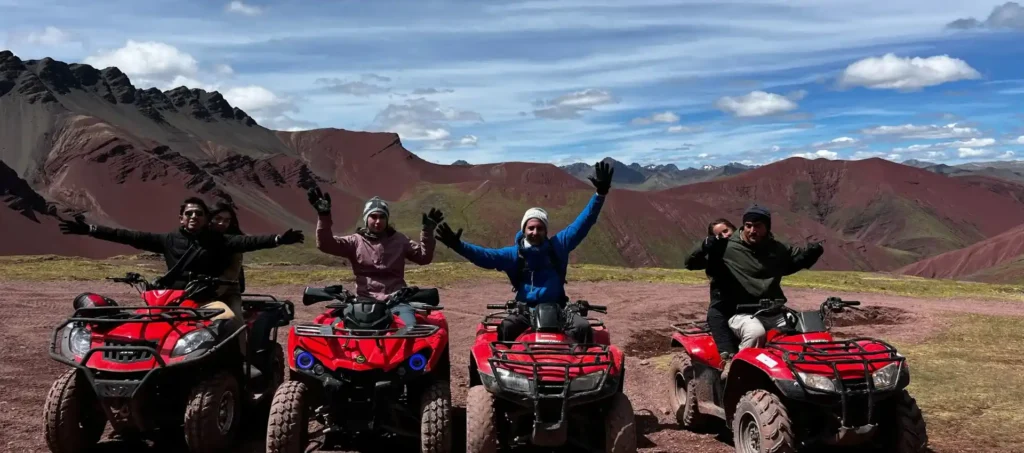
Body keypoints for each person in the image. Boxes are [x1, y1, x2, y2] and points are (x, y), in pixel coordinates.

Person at [58, 197, 304, 333]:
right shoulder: (168, 240)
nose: (194, 217)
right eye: (189, 213)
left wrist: (278, 239)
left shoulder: (219, 241)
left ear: (205, 218)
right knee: (142, 328)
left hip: (207, 298)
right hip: (172, 299)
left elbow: (249, 241)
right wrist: (90, 230)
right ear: (181, 217)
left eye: (199, 214)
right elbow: (129, 236)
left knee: (230, 322)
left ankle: (237, 366)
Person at [433, 161, 614, 344]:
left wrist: (600, 194)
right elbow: (485, 257)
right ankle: (507, 371)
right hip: (525, 310)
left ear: (546, 230)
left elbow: (583, 223)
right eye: (531, 228)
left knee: (583, 329)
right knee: (506, 328)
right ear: (524, 229)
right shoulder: (514, 254)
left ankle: (581, 369)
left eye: (540, 228)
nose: (535, 232)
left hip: (558, 307)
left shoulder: (558, 246)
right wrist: (458, 246)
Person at [691, 204, 824, 380]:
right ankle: (738, 373)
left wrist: (810, 255)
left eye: (758, 225)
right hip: (736, 309)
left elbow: (789, 264)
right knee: (755, 332)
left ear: (767, 227)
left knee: (807, 332)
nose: (752, 230)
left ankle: (809, 375)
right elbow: (692, 262)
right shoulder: (724, 249)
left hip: (771, 308)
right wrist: (705, 246)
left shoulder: (775, 248)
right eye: (748, 225)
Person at [307, 187, 443, 327]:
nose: (378, 221)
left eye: (382, 216)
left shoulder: (399, 240)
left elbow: (424, 257)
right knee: (338, 331)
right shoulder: (355, 241)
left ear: (387, 219)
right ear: (366, 219)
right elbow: (325, 245)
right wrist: (324, 216)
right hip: (363, 301)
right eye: (374, 216)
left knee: (410, 329)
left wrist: (427, 231)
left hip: (397, 301)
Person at [685, 218, 736, 360]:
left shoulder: (748, 248)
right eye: (719, 234)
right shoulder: (714, 255)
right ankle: (728, 359)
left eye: (726, 231)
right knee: (716, 316)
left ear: (734, 229)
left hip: (751, 301)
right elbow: (690, 263)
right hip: (722, 303)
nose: (725, 235)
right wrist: (705, 246)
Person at [209, 201, 247, 315]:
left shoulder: (234, 242)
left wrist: (213, 293)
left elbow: (232, 272)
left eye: (227, 220)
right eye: (218, 218)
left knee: (234, 321)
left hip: (228, 290)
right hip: (196, 289)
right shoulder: (199, 238)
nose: (222, 223)